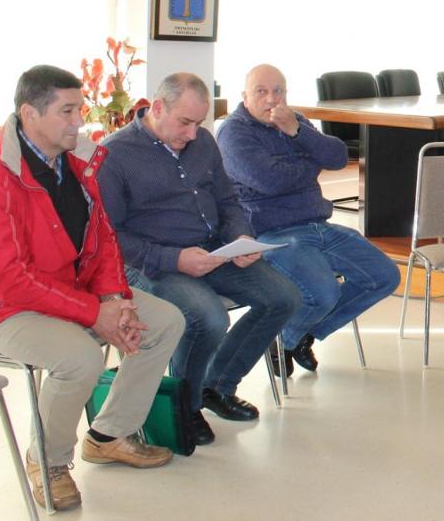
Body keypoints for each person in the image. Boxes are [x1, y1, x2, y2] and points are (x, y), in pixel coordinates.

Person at [0, 65, 185, 511]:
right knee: (79, 356)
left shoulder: (76, 163)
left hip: (67, 293)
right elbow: (8, 282)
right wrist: (96, 315)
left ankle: (109, 434)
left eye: (80, 109)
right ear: (29, 114)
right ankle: (48, 461)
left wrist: (115, 299)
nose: (79, 122)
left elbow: (103, 240)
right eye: (67, 111)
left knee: (166, 321)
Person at [99, 72, 301, 445]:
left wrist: (241, 236)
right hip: (152, 265)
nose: (192, 134)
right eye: (184, 123)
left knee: (283, 297)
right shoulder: (115, 155)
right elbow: (109, 237)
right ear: (157, 108)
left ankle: (216, 385)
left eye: (198, 123)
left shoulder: (203, 142)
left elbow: (227, 201)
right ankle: (186, 406)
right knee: (208, 317)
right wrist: (175, 259)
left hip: (213, 252)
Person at [216, 64, 400, 373]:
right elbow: (270, 181)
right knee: (323, 293)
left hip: (318, 224)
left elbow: (339, 157)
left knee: (384, 276)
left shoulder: (294, 121)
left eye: (279, 91)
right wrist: (310, 162)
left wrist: (297, 133)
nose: (272, 99)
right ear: (244, 96)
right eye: (261, 91)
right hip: (272, 233)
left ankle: (294, 334)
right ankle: (288, 335)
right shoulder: (233, 131)